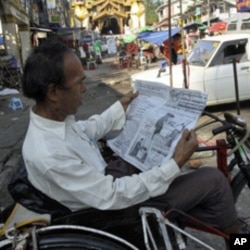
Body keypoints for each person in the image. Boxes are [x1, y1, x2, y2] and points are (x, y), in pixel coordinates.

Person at [21, 41, 239, 248]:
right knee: (214, 181)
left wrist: (120, 106)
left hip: (105, 182)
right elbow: (112, 195)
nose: (85, 89)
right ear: (53, 92)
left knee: (156, 147)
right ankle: (239, 240)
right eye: (79, 83)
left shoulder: (55, 120)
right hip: (115, 213)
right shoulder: (48, 153)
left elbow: (86, 130)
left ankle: (214, 217)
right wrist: (176, 162)